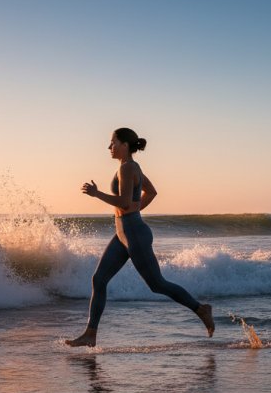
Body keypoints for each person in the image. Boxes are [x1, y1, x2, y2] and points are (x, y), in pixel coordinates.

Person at [65, 128, 214, 347]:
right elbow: (150, 193)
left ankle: (201, 309)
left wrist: (99, 195)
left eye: (113, 142)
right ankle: (90, 333)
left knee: (157, 284)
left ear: (124, 144)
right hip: (123, 234)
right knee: (99, 279)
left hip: (134, 233)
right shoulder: (131, 168)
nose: (109, 147)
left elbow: (124, 202)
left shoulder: (128, 168)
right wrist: (135, 208)